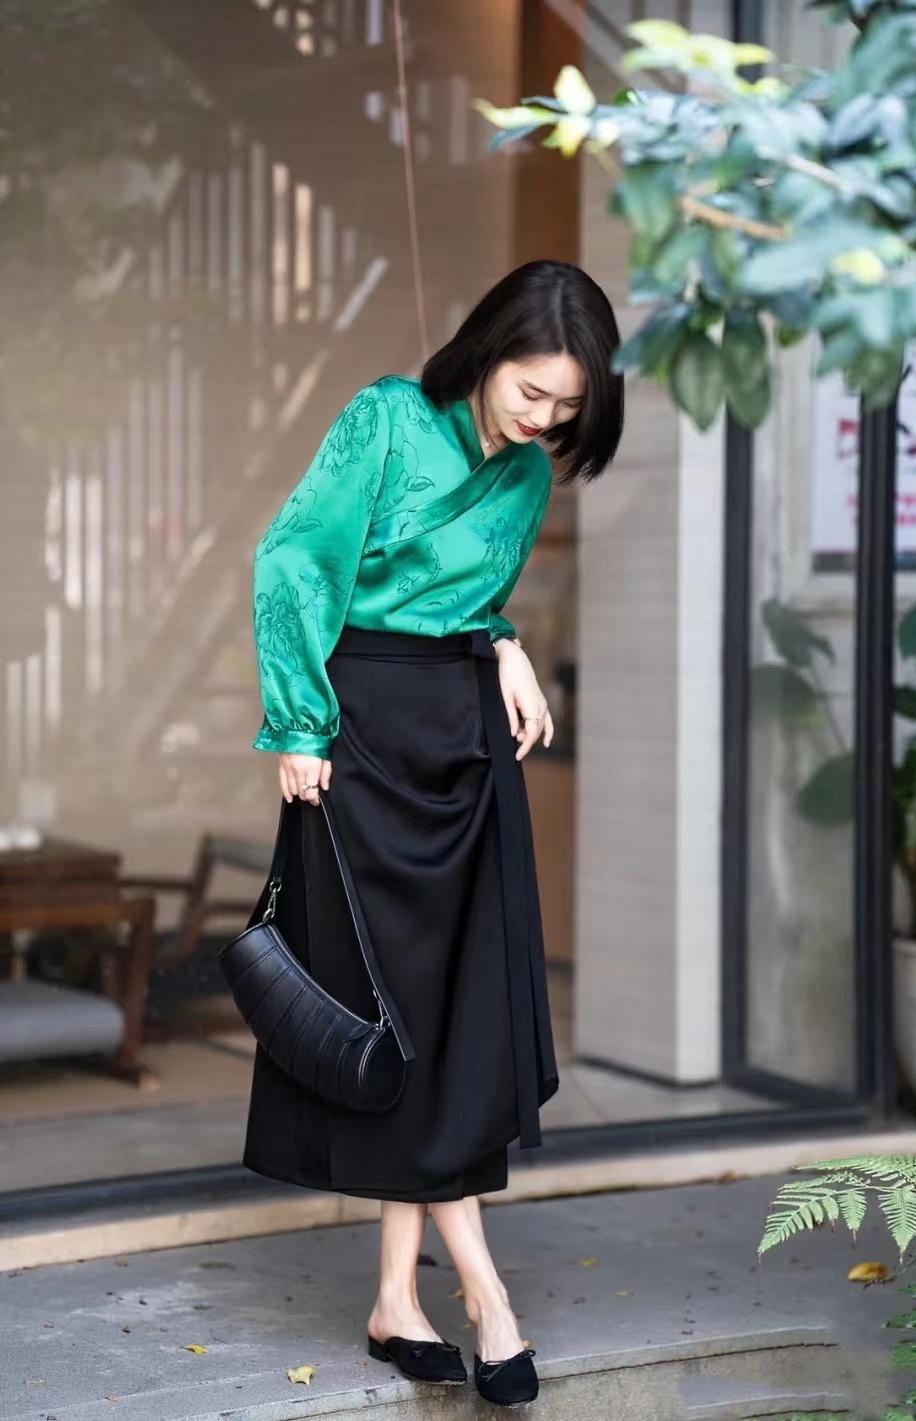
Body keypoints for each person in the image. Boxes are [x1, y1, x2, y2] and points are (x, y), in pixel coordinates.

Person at [245, 258, 624, 1406]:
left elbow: (467, 595)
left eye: (566, 405)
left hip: (464, 746)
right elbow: (296, 559)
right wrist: (296, 720)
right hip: (358, 738)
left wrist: (503, 641)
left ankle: (394, 1300)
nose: (543, 418)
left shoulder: (528, 475)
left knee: (454, 1020)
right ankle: (485, 1296)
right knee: (397, 1016)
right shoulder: (387, 418)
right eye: (531, 390)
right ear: (489, 351)